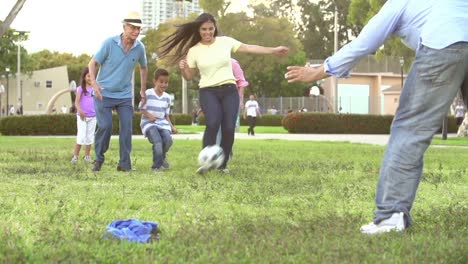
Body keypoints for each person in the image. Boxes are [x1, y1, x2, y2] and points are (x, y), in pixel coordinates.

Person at [285, 0, 468, 234]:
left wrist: (318, 71)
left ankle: (390, 215)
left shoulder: (398, 3)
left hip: (444, 42)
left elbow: (363, 44)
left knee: (409, 129)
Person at [158, 13, 288, 174]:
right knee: (212, 122)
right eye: (204, 29)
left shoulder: (225, 42)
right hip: (208, 91)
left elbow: (249, 47)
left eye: (210, 29)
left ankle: (222, 164)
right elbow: (189, 76)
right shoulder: (194, 50)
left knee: (228, 128)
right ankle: (207, 160)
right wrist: (183, 68)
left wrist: (274, 50)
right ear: (198, 30)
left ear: (215, 28)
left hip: (229, 90)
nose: (207, 32)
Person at [88, 11, 148, 172]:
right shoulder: (109, 43)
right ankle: (98, 158)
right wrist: (94, 84)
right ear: (124, 27)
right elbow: (92, 63)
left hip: (124, 95)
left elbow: (144, 67)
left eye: (138, 29)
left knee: (127, 128)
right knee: (105, 126)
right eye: (133, 28)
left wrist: (142, 90)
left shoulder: (139, 48)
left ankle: (124, 164)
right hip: (103, 93)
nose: (136, 32)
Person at [139, 69, 178, 172]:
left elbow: (166, 115)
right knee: (158, 141)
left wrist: (171, 126)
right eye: (161, 81)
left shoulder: (167, 98)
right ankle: (156, 167)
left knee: (168, 141)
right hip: (149, 124)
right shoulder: (148, 93)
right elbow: (141, 108)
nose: (164, 84)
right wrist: (149, 115)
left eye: (166, 82)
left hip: (162, 124)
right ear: (155, 81)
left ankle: (162, 157)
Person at [71, 67, 96, 164]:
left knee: (89, 137)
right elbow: (76, 102)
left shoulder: (95, 89)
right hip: (82, 117)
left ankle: (87, 157)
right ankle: (75, 157)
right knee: (81, 136)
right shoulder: (80, 89)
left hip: (93, 116)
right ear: (84, 77)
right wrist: (80, 111)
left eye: (92, 76)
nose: (90, 78)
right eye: (88, 76)